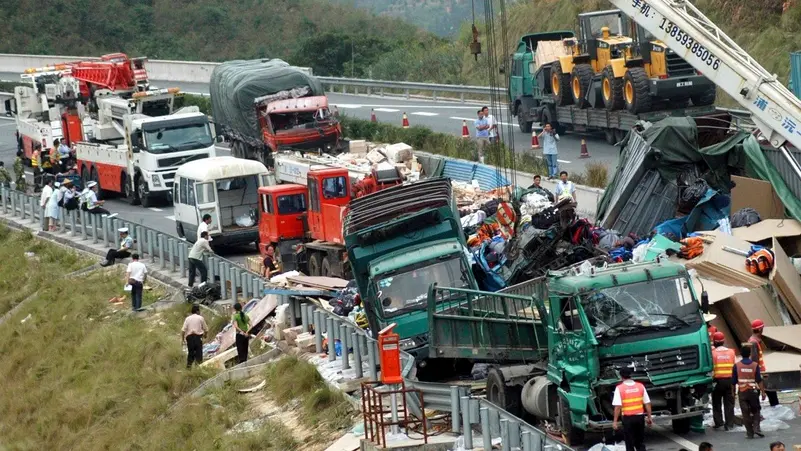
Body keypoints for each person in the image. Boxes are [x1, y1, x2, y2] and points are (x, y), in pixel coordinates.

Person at [613, 367, 652, 451]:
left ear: (621, 376)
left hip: (628, 419)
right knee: (640, 442)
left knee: (629, 443)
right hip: (640, 418)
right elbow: (647, 403)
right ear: (630, 375)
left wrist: (615, 421)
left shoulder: (619, 388)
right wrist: (649, 417)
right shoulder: (640, 386)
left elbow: (617, 407)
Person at [733, 344, 766, 439]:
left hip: (742, 392)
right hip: (753, 392)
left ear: (741, 354)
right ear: (750, 354)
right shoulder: (755, 365)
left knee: (745, 412)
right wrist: (763, 392)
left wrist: (733, 393)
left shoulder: (736, 366)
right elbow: (759, 380)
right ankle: (756, 428)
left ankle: (750, 433)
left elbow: (733, 382)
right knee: (756, 410)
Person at [749, 319, 779, 407]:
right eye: (762, 328)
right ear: (759, 330)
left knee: (771, 392)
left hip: (761, 373)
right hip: (760, 374)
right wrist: (757, 376)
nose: (763, 330)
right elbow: (754, 361)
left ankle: (756, 412)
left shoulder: (754, 341)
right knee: (767, 392)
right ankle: (756, 414)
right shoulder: (753, 343)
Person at [711, 332, 736, 430]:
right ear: (723, 341)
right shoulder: (731, 352)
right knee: (729, 403)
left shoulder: (712, 353)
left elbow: (711, 368)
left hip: (717, 381)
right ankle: (729, 424)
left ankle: (719, 422)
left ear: (714, 342)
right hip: (730, 381)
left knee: (717, 402)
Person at [182, 304, 208, 368]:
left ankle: (188, 368)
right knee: (199, 354)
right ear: (197, 311)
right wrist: (205, 335)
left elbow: (183, 330)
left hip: (189, 338)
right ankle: (198, 368)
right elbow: (206, 329)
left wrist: (182, 339)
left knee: (191, 353)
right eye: (199, 311)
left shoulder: (187, 319)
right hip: (198, 338)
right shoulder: (200, 318)